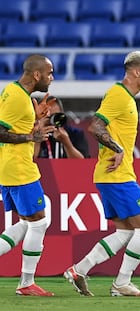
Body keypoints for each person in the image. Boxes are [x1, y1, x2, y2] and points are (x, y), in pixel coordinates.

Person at [63, 51, 140, 297]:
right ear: (135, 72)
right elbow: (94, 125)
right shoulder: (119, 96)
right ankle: (122, 283)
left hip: (110, 175)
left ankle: (79, 270)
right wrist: (116, 148)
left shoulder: (122, 96)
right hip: (117, 176)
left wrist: (115, 147)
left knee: (125, 231)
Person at [0, 54, 57, 296]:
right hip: (18, 169)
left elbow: (12, 126)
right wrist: (29, 137)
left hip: (13, 167)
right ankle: (26, 283)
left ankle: (26, 282)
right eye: (49, 73)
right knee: (39, 222)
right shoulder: (16, 97)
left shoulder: (17, 94)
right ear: (37, 74)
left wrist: (34, 120)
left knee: (26, 223)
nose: (51, 78)